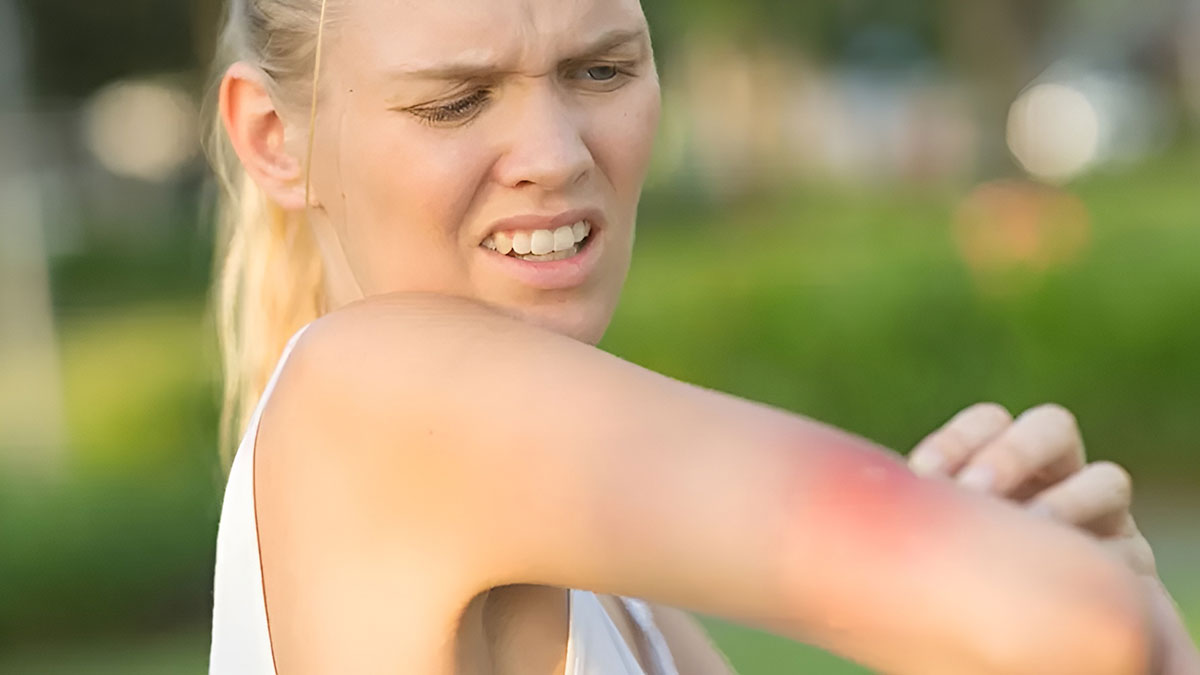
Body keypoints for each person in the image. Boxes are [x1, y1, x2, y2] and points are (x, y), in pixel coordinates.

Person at [205, 0, 1199, 672]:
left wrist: (1091, 600)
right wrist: (1078, 596)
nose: (555, 154)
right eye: (454, 101)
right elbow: (1089, 625)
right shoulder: (375, 390)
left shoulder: (619, 598)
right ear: (273, 139)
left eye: (601, 70)